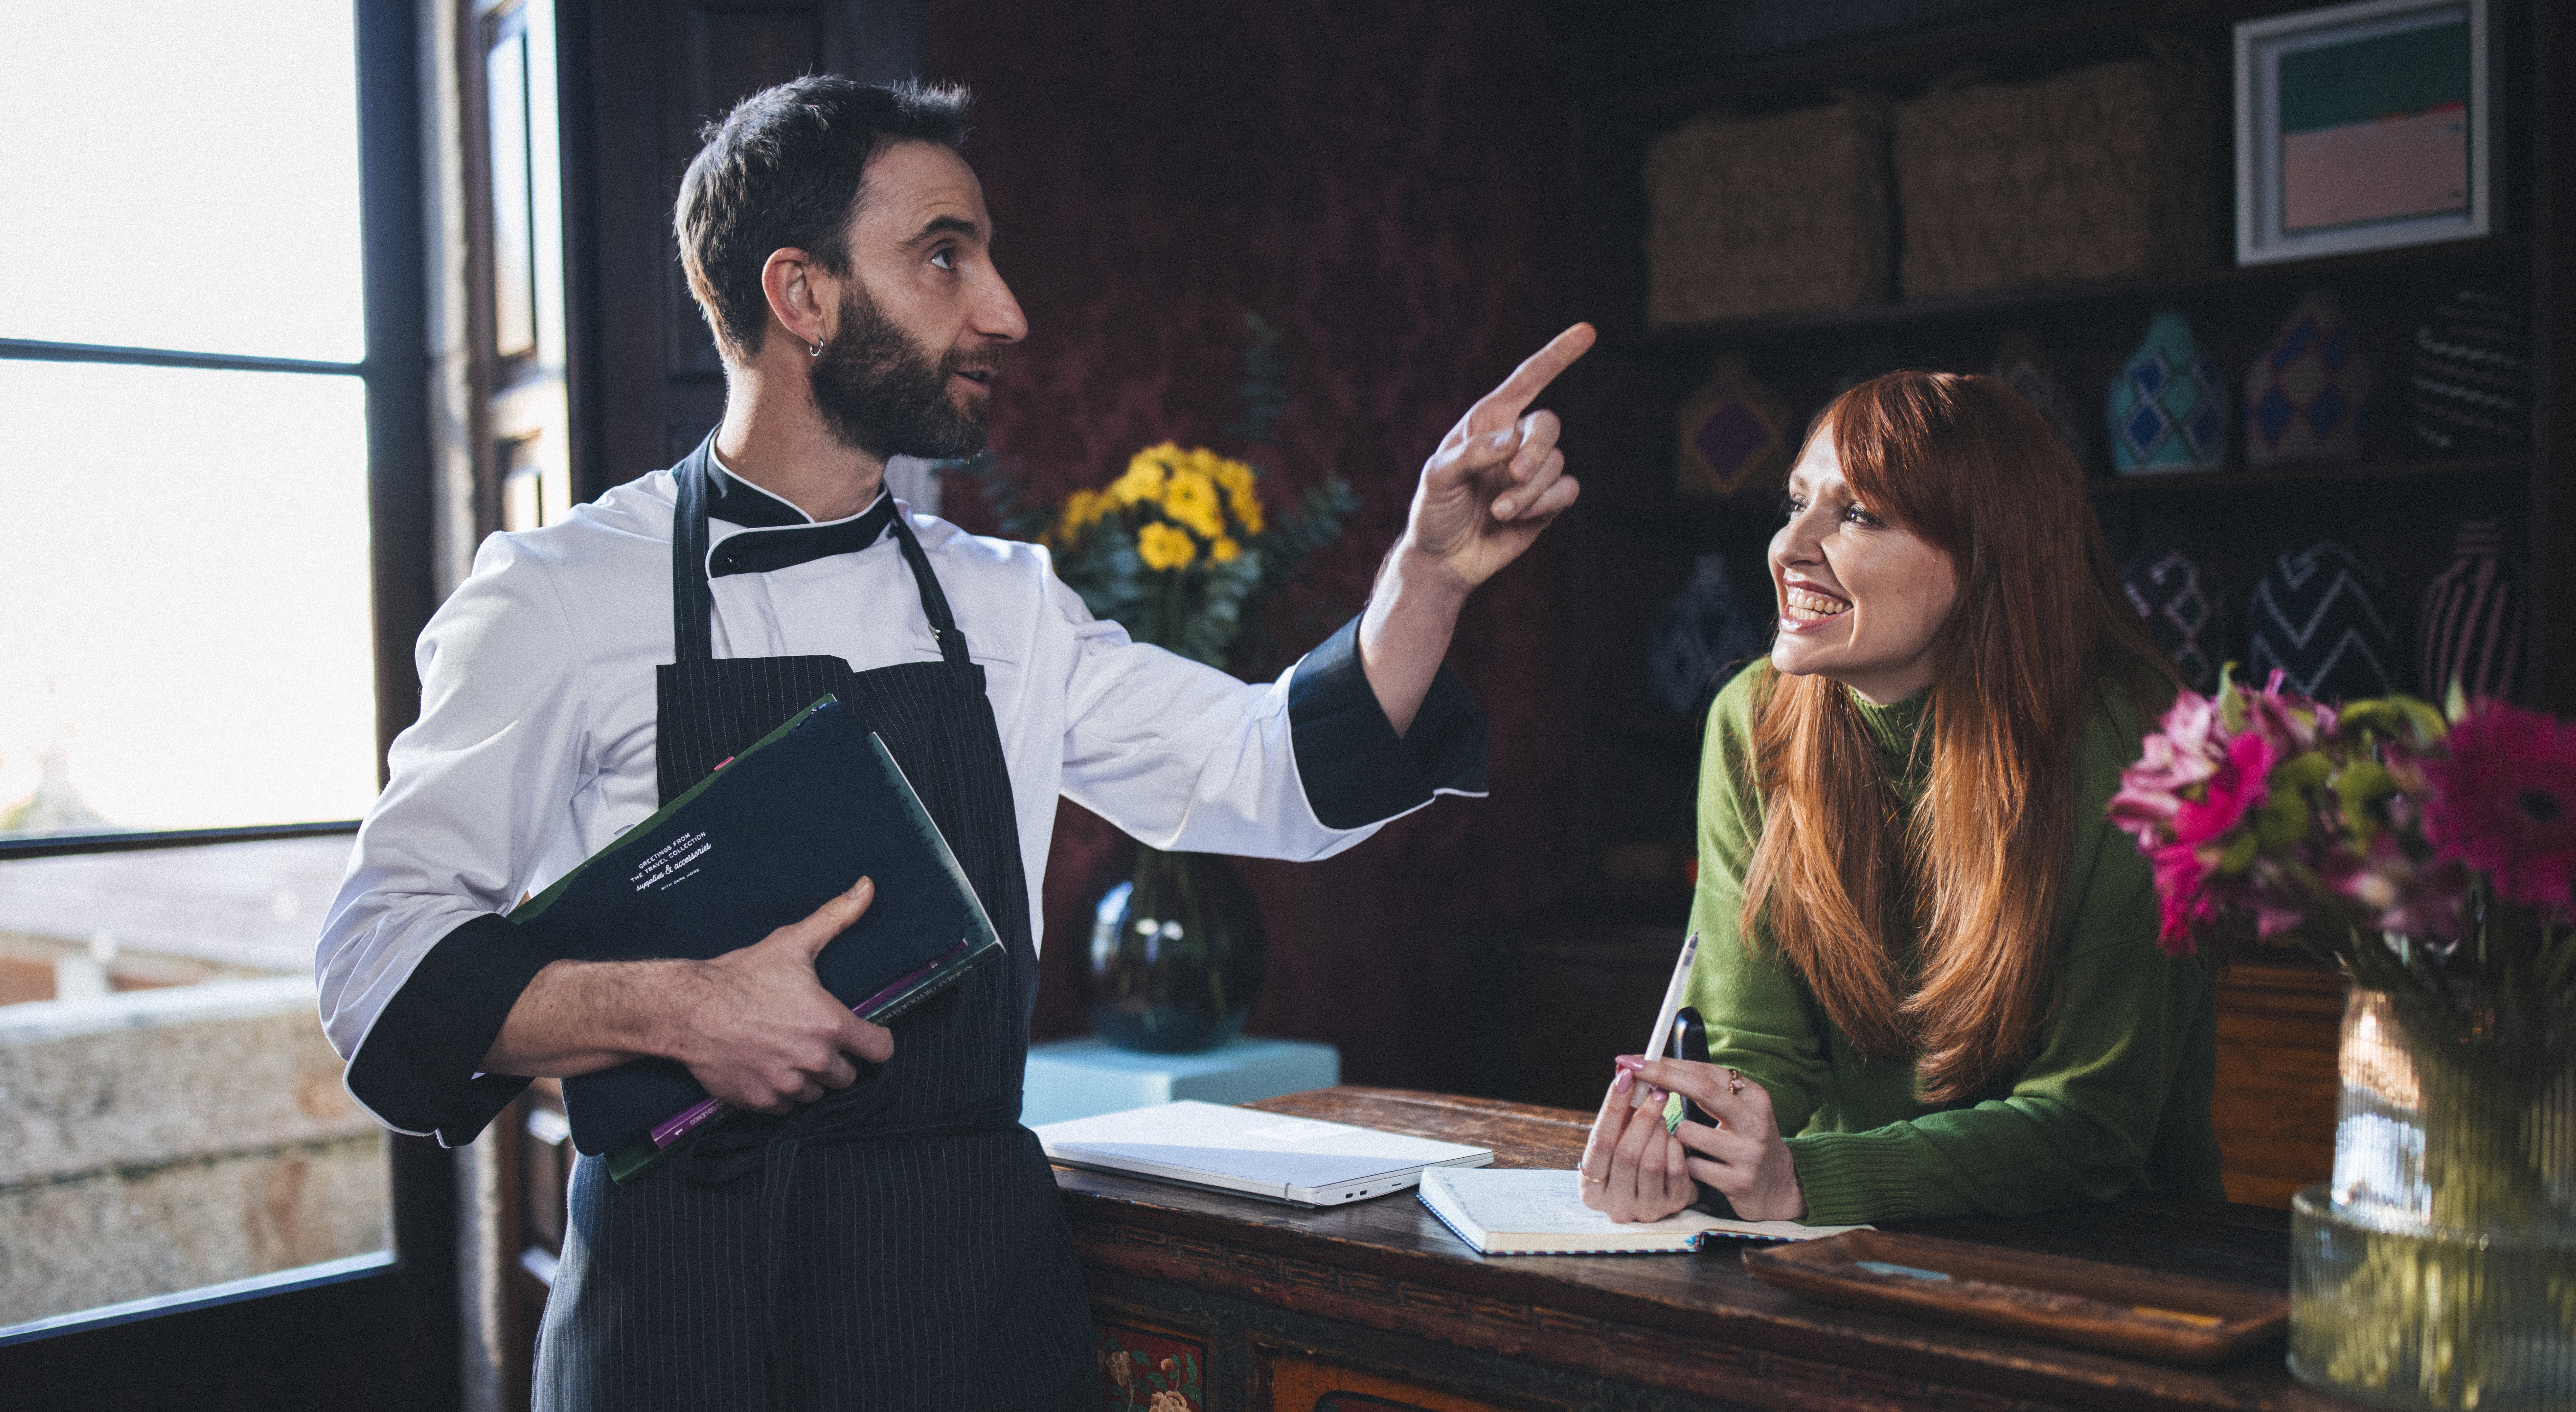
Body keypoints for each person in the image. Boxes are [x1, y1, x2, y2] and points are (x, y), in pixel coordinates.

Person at [314, 76, 1592, 1410]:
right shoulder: (559, 591)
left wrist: (1427, 573)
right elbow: (376, 956)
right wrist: (675, 1007)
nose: (1005, 311)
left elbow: (1267, 769)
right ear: (800, 295)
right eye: (944, 256)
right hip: (680, 1318)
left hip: (970, 1311)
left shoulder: (1006, 601)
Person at [1578, 371, 2224, 1228]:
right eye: (1796, 503)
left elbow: (2091, 1125)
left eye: (1857, 516)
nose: (1787, 548)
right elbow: (1755, 1050)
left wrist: (1800, 1181)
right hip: (1833, 1246)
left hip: (2111, 1259)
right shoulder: (1751, 719)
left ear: (1991, 557)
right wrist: (1683, 1144)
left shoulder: (2146, 748)